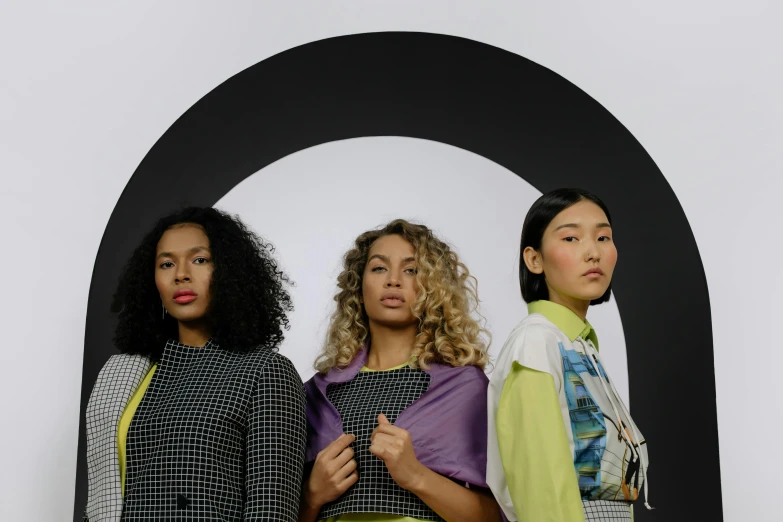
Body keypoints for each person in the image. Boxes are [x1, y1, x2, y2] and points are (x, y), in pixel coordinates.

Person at [83, 207, 306, 521]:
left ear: (229, 271)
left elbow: (271, 509)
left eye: (200, 260)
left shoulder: (265, 372)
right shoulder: (122, 375)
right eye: (166, 263)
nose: (181, 274)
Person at [300, 219, 502, 522]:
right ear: (358, 285)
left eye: (412, 270)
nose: (393, 280)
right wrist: (311, 497)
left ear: (433, 288)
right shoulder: (317, 392)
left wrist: (416, 475)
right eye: (379, 268)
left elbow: (492, 516)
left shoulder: (464, 387)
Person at [487, 188, 651, 522]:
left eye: (603, 237)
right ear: (534, 259)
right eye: (572, 238)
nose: (593, 252)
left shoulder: (577, 345)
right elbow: (540, 485)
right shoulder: (536, 343)